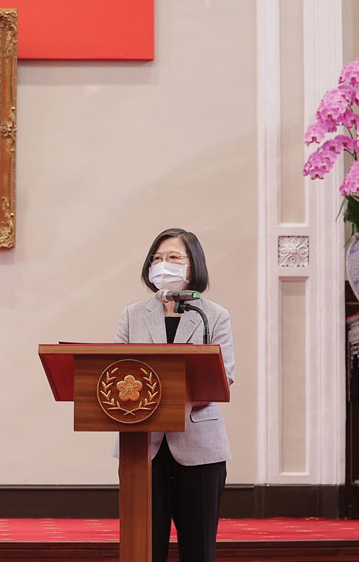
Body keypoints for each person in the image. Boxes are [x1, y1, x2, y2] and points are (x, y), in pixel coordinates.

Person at [113, 228, 235, 562]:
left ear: (192, 266)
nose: (162, 265)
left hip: (199, 443)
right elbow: (115, 373)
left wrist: (169, 402)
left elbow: (224, 376)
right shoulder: (132, 315)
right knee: (144, 549)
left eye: (173, 258)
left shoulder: (213, 315)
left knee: (198, 550)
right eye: (156, 258)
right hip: (142, 445)